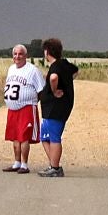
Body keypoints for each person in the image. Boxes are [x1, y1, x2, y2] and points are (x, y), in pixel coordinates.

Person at [2, 43, 46, 173]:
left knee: (24, 137)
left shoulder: (33, 70)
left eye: (20, 54)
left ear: (26, 55)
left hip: (26, 107)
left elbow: (41, 89)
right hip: (12, 108)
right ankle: (16, 162)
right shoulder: (11, 68)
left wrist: (36, 101)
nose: (17, 56)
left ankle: (24, 164)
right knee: (15, 136)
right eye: (15, 54)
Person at [38, 37, 78, 176]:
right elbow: (75, 71)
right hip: (56, 108)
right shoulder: (65, 64)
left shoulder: (55, 66)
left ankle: (55, 168)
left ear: (47, 52)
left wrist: (54, 90)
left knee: (54, 137)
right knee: (44, 137)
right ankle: (53, 164)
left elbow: (53, 77)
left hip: (55, 108)